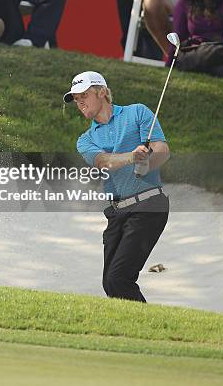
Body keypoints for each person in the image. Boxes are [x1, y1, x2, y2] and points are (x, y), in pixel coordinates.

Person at [64, 71, 170, 302]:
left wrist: (148, 163)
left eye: (84, 95)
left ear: (102, 92)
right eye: (75, 98)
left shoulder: (137, 112)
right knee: (110, 282)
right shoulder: (86, 139)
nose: (79, 102)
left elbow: (161, 149)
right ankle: (141, 332)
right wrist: (133, 158)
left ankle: (146, 332)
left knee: (119, 278)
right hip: (117, 212)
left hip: (149, 205)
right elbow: (104, 162)